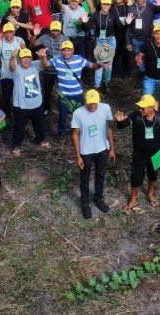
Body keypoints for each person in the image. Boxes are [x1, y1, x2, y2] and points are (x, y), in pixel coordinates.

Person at [114, 95, 160, 212]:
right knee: (136, 176)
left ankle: (150, 194)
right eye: (139, 107)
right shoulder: (136, 116)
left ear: (152, 108)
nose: (140, 110)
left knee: (153, 175)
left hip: (156, 154)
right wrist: (120, 122)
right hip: (139, 154)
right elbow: (125, 123)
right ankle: (134, 199)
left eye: (143, 108)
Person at [71, 89, 114, 220]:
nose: (93, 106)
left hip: (102, 148)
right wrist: (78, 155)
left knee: (100, 175)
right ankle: (85, 204)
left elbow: (109, 128)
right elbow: (75, 134)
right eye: (90, 103)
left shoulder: (105, 108)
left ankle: (98, 199)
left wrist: (112, 148)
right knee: (85, 177)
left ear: (99, 101)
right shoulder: (78, 113)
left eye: (95, 103)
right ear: (85, 101)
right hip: (86, 151)